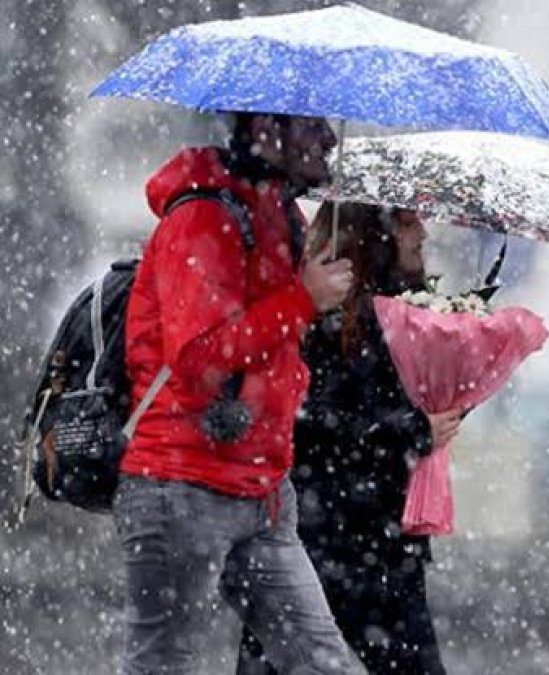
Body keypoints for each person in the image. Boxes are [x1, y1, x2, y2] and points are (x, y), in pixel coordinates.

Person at [117, 112, 368, 674]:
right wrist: (302, 300)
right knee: (163, 664)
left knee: (321, 662)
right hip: (181, 484)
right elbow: (198, 357)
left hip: (262, 491)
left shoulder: (280, 216)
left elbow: (279, 347)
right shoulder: (203, 216)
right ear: (264, 130)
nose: (329, 139)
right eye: (311, 126)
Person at [238, 202, 462, 674]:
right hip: (320, 537)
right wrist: (410, 430)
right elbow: (307, 422)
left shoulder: (408, 314)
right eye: (406, 221)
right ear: (371, 234)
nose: (421, 231)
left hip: (380, 539)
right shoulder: (322, 316)